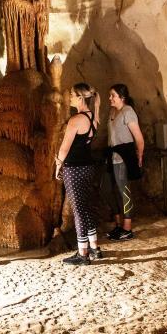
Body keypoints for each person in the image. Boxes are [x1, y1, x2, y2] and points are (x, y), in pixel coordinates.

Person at [55, 83, 103, 266]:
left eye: (72, 96)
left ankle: (83, 254)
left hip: (74, 169)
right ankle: (94, 248)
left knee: (78, 211)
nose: (70, 98)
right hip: (88, 168)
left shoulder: (75, 120)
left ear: (81, 98)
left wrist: (58, 166)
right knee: (87, 207)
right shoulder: (93, 117)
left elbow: (64, 148)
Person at [105, 83, 144, 241]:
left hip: (123, 157)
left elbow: (139, 137)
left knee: (124, 192)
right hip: (111, 156)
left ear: (122, 97)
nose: (110, 98)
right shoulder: (112, 111)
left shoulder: (128, 111)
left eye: (112, 95)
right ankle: (118, 224)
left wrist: (139, 156)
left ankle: (127, 229)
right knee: (106, 189)